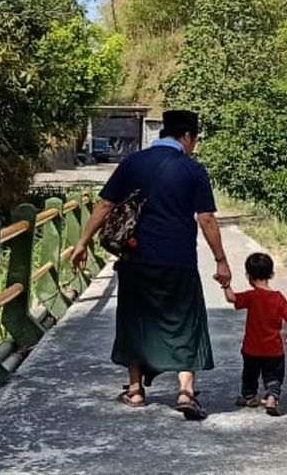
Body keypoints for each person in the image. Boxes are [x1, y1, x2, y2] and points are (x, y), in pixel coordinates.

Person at [71, 109, 230, 420]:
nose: (193, 145)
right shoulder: (193, 170)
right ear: (186, 137)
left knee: (135, 319)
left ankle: (134, 391)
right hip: (178, 260)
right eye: (194, 140)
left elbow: (105, 204)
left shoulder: (132, 163)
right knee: (185, 321)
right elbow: (207, 218)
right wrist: (221, 260)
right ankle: (185, 391)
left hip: (135, 258)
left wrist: (82, 242)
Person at [222, 252, 287, 416]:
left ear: (249, 276)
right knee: (273, 375)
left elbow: (232, 298)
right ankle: (272, 396)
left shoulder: (251, 296)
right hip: (273, 349)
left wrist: (226, 285)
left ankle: (249, 397)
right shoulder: (278, 298)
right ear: (271, 274)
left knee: (250, 374)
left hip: (251, 348)